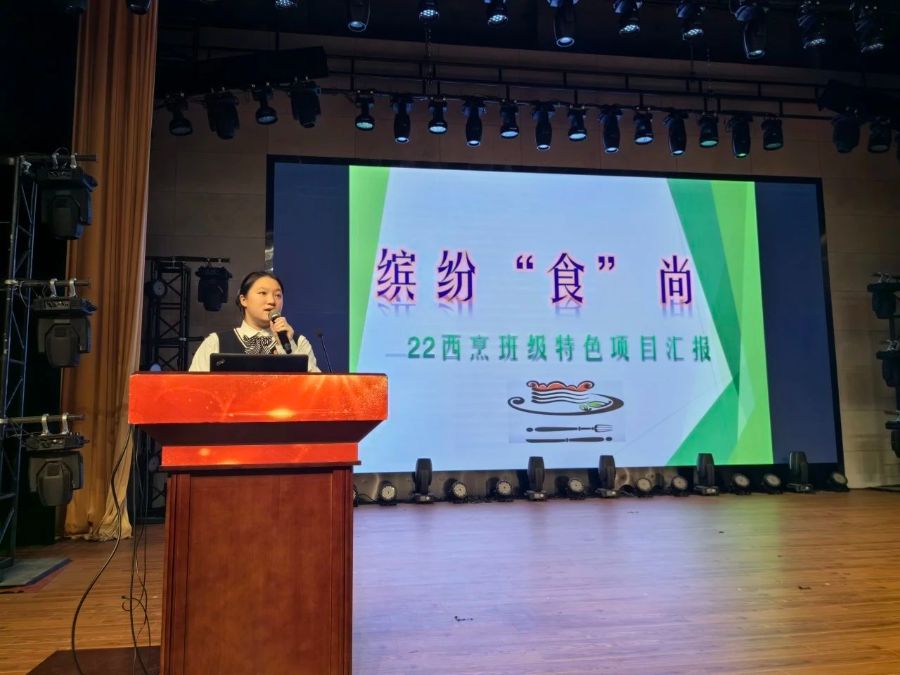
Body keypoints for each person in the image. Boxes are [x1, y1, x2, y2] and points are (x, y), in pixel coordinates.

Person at [188, 270, 320, 372]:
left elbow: (316, 388)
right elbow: (194, 389)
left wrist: (288, 346)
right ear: (243, 300)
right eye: (263, 293)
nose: (272, 301)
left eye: (278, 295)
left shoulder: (299, 342)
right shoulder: (215, 343)